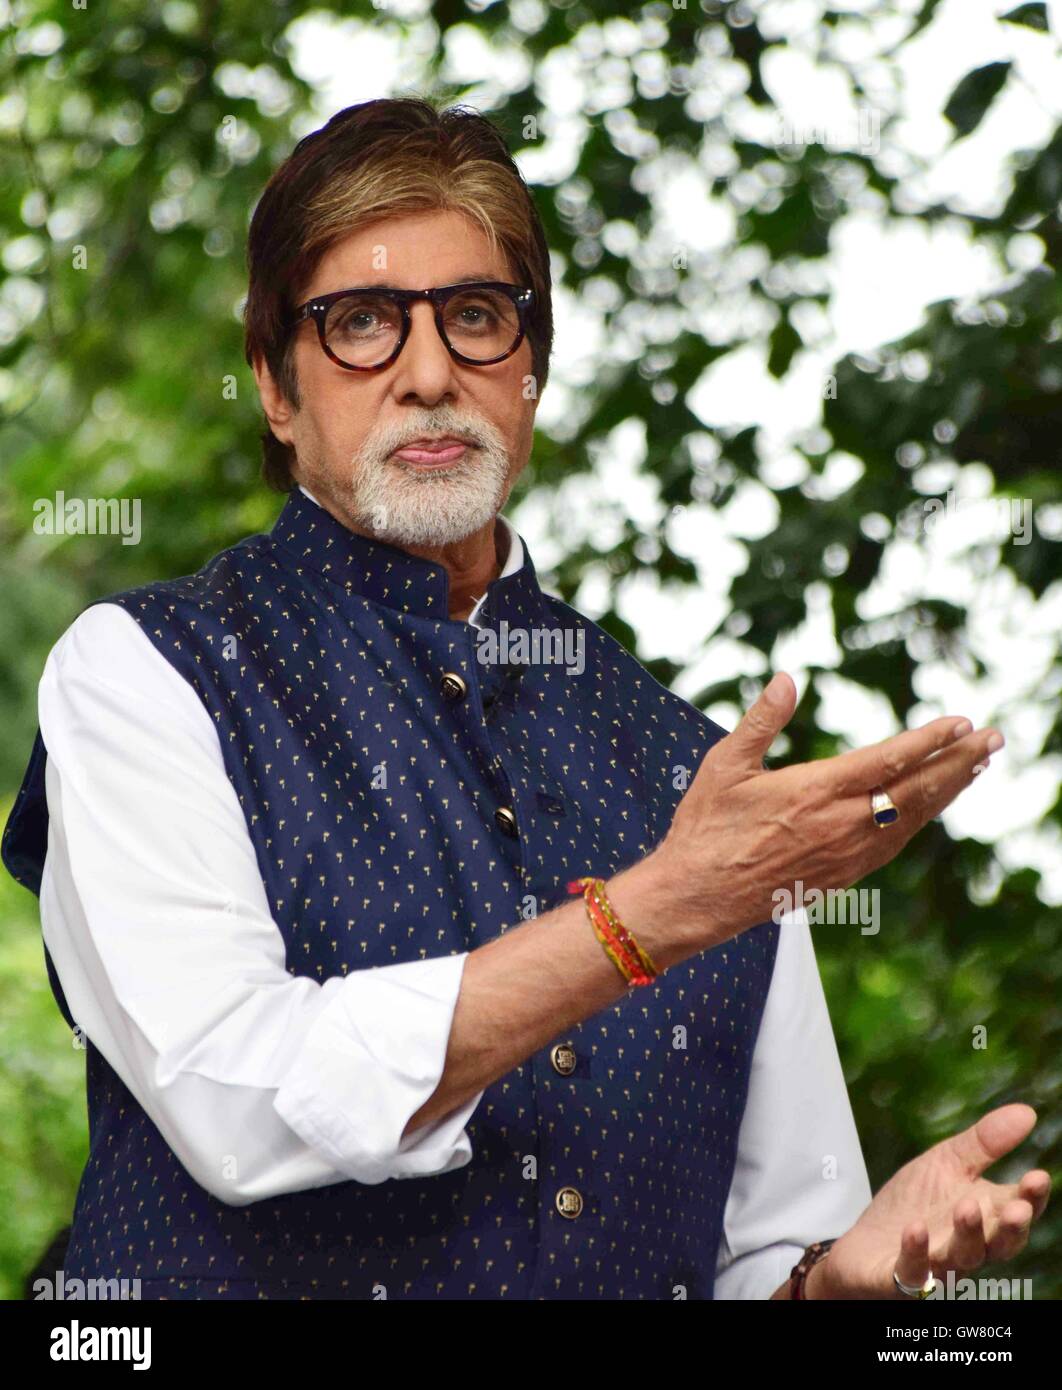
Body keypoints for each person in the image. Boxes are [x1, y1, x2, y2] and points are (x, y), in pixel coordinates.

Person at [2, 97, 1048, 1301]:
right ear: (277, 391)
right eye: (360, 325)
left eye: (477, 317)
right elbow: (239, 1093)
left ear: (531, 375)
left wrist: (831, 1282)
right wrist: (644, 918)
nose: (431, 371)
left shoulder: (704, 785)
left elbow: (766, 1246)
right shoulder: (146, 670)